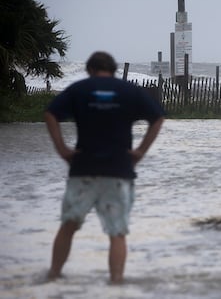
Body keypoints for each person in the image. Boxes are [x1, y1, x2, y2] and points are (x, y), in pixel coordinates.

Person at [44, 51, 165, 283]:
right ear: (113, 69)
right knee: (117, 233)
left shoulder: (79, 89)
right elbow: (157, 118)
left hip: (83, 168)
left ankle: (53, 276)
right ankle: (116, 284)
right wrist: (140, 151)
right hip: (118, 169)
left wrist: (62, 149)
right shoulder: (129, 91)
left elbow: (50, 114)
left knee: (68, 225)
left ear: (90, 70)